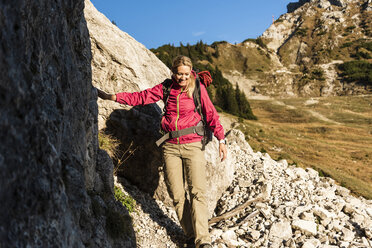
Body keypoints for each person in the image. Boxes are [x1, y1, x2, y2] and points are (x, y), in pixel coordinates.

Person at [97, 55, 227, 248]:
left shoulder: (197, 87)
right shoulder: (166, 87)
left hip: (193, 145)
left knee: (197, 192)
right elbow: (141, 97)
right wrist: (113, 97)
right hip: (170, 146)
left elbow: (211, 114)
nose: (182, 78)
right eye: (178, 74)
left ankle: (203, 241)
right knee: (177, 194)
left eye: (185, 74)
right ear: (172, 72)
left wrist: (221, 140)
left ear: (190, 72)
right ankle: (191, 235)